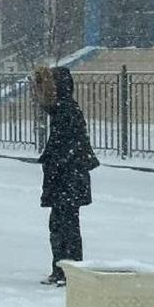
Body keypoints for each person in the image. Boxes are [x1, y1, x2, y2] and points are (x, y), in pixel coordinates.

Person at [34, 66, 99, 286]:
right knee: (60, 224)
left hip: (68, 181)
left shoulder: (66, 110)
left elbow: (67, 149)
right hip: (67, 180)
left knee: (66, 225)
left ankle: (68, 270)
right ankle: (62, 268)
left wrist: (54, 165)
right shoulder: (63, 109)